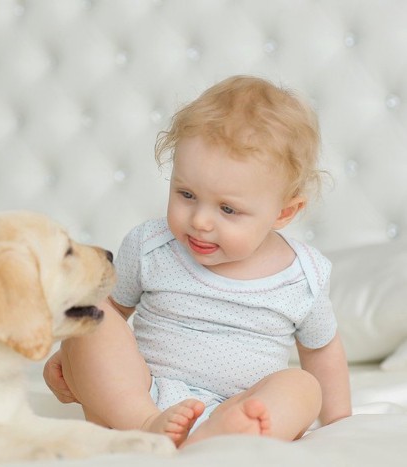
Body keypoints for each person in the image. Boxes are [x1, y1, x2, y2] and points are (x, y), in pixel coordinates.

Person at [43, 75, 352, 448]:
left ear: (284, 212)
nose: (200, 221)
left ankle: (222, 435)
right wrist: (70, 359)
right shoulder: (151, 246)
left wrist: (340, 424)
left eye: (227, 208)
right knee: (91, 313)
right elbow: (113, 313)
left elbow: (322, 352)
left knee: (303, 385)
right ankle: (144, 427)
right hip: (139, 395)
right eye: (186, 194)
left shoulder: (303, 276)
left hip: (241, 406)